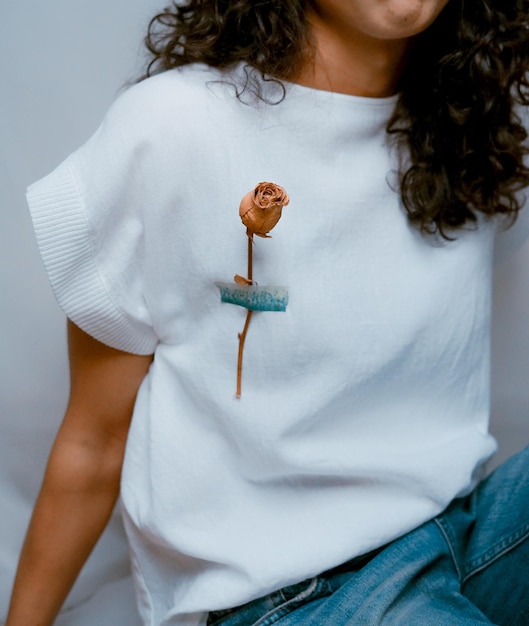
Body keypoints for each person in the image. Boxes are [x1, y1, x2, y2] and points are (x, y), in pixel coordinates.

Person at [6, 1, 529, 624]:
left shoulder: (469, 125)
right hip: (295, 595)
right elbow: (94, 440)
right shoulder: (173, 127)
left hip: (457, 533)